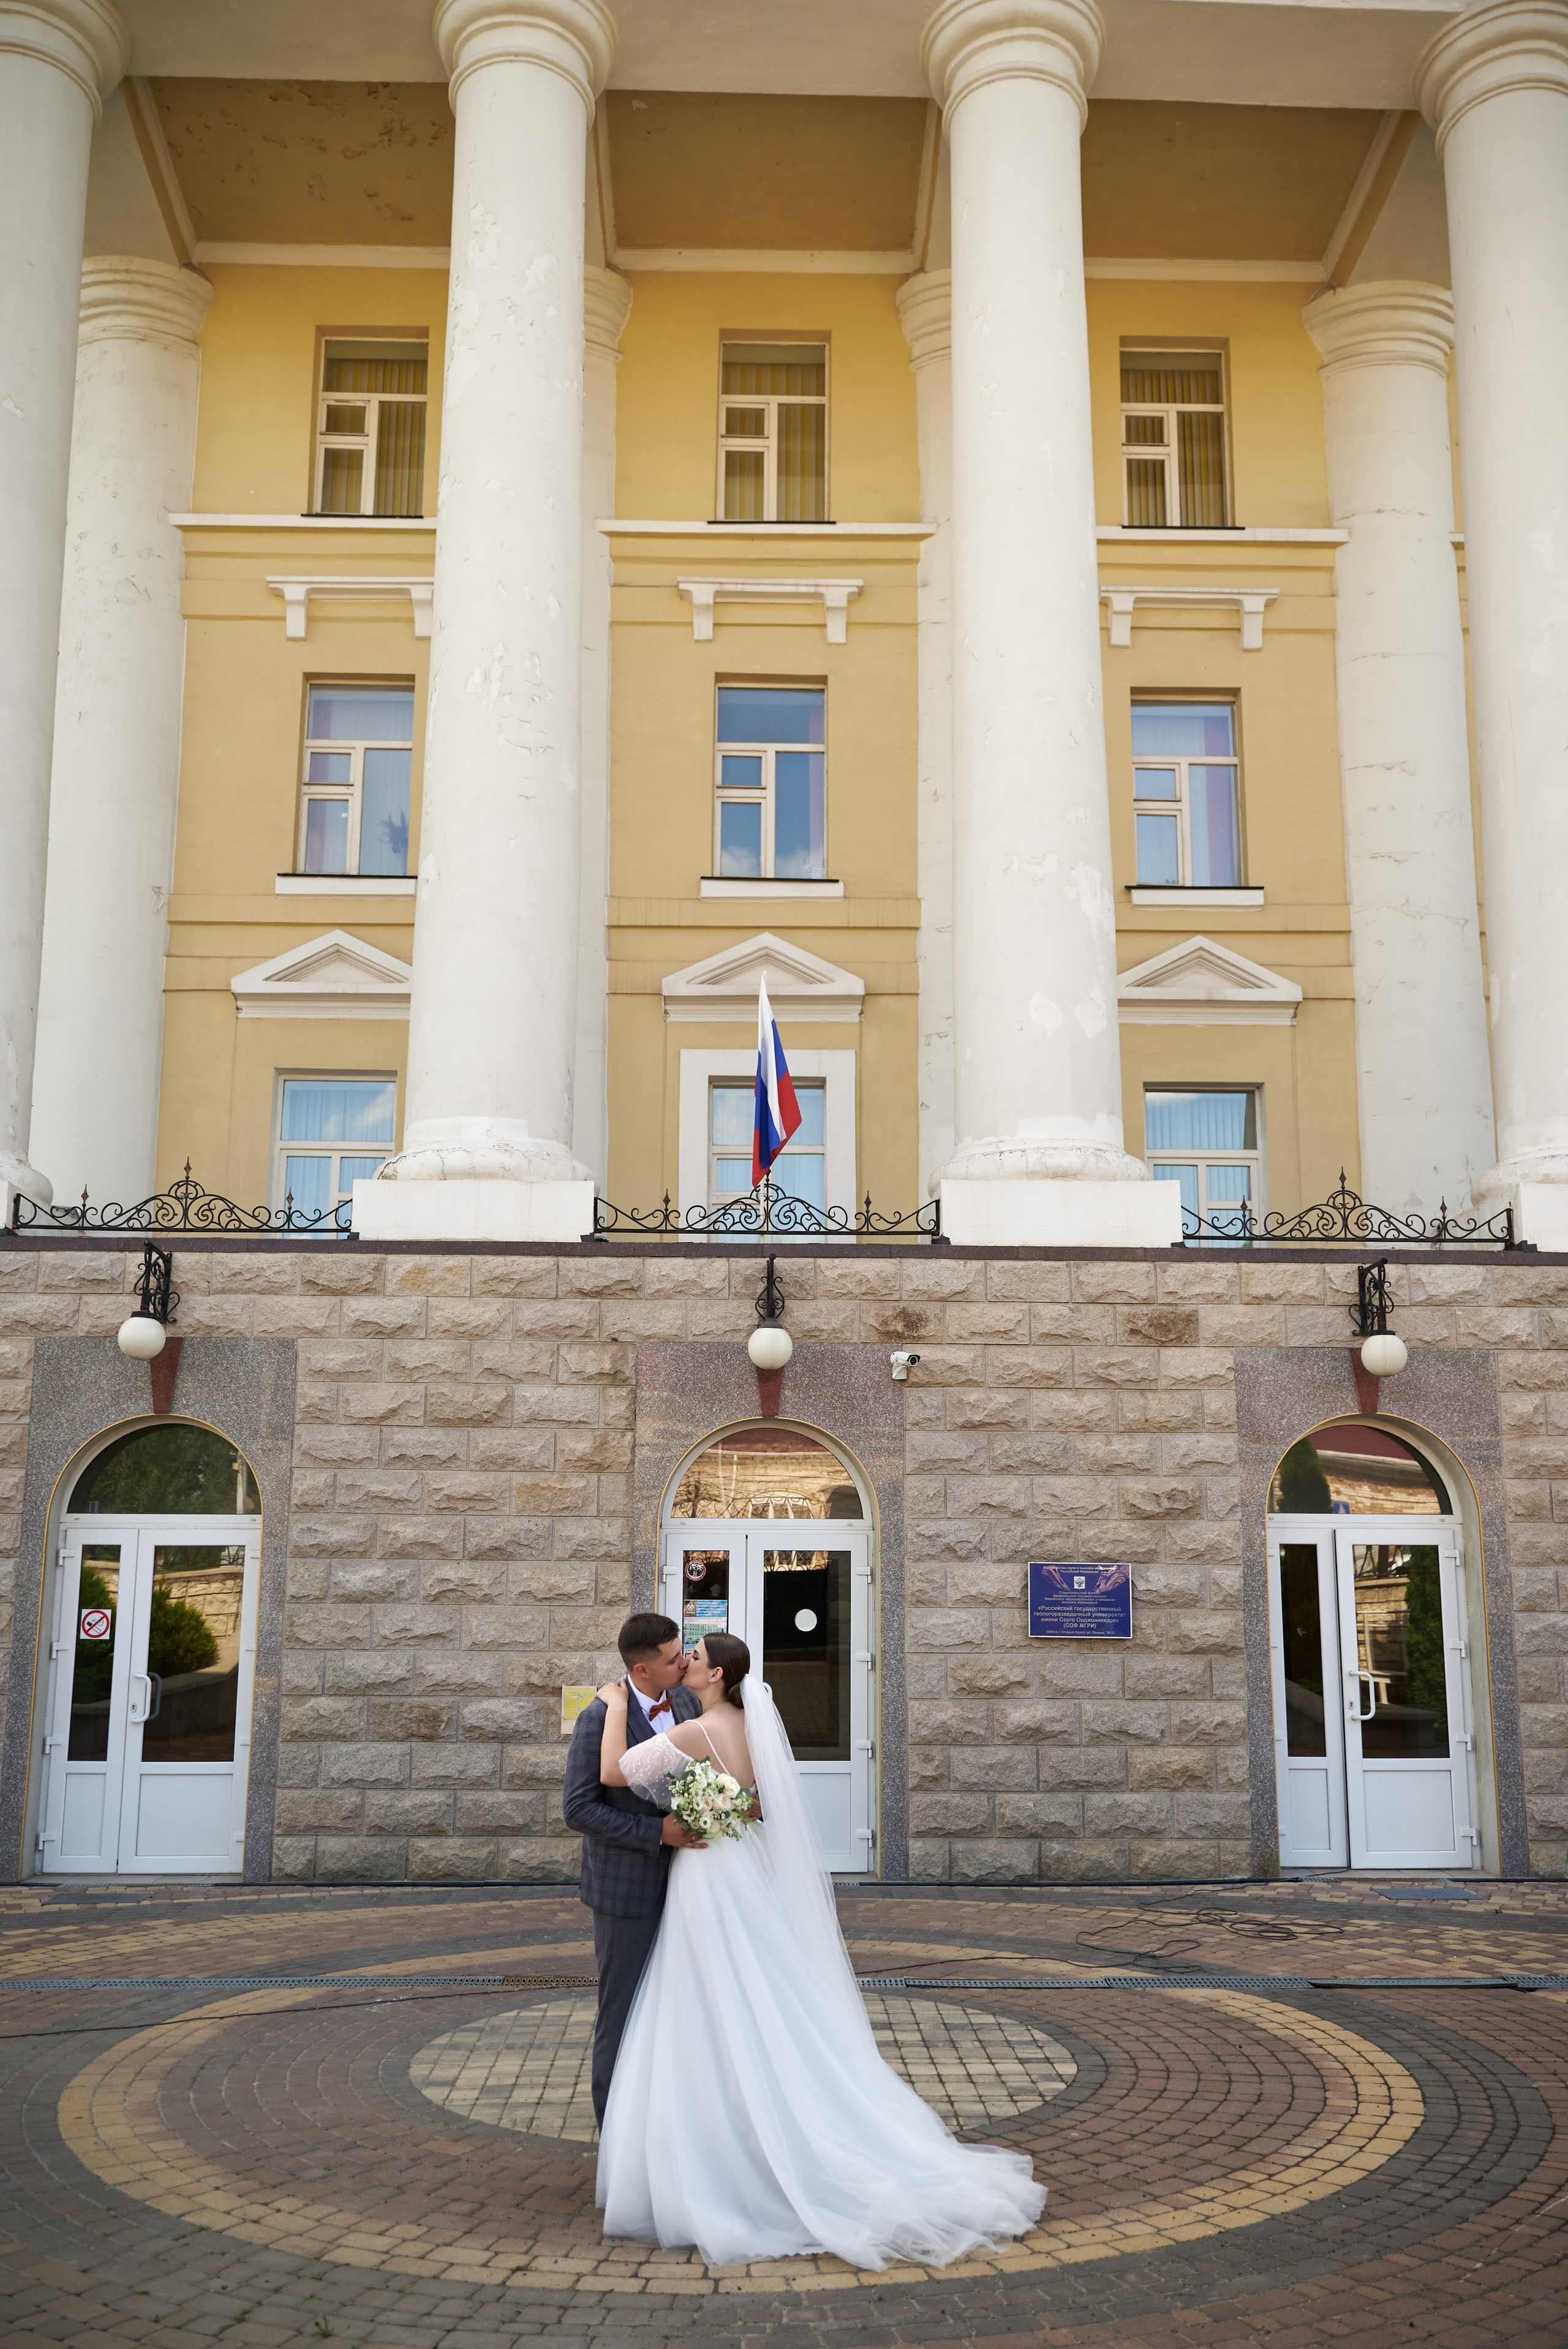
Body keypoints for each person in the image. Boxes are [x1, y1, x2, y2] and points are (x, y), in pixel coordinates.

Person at [590, 1630, 1046, 2272]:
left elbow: (615, 1772)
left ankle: (724, 2148)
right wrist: (723, 1809)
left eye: (693, 1656)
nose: (685, 1661)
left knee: (709, 1993)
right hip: (737, 1866)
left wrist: (613, 1707)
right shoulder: (748, 1726)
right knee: (750, 1992)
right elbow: (757, 1804)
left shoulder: (701, 1728)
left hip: (708, 1875)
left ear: (716, 1674)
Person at [562, 1612, 704, 2127]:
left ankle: (665, 2130)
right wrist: (655, 1834)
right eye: (673, 1659)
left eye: (685, 1651)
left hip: (691, 1885)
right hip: (627, 1893)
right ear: (641, 1671)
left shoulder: (687, 1700)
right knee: (621, 2015)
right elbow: (578, 1809)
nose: (685, 1662)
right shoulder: (599, 1717)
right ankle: (616, 2139)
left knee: (678, 2010)